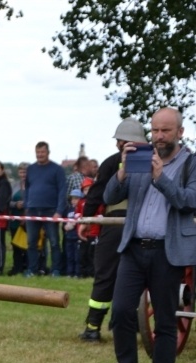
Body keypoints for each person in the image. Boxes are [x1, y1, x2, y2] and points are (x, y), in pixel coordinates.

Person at [102, 107, 196, 363]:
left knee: (166, 322)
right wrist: (122, 171)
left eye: (165, 131)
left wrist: (161, 178)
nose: (159, 136)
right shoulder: (140, 158)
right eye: (155, 130)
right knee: (120, 312)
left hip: (167, 253)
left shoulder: (190, 163)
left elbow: (188, 201)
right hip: (134, 248)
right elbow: (109, 198)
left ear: (180, 132)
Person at [79, 118, 147, 342]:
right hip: (146, 225)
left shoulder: (111, 163)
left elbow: (96, 194)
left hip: (116, 224)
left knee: (105, 274)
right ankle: (135, 323)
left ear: (121, 142)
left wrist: (86, 219)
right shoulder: (154, 160)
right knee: (141, 275)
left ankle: (92, 327)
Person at [24, 141, 66, 277]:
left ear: (48, 152)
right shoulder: (30, 169)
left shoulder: (57, 169)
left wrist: (59, 211)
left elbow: (62, 191)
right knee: (31, 242)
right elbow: (27, 188)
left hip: (51, 211)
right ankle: (32, 269)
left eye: (42, 152)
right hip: (32, 210)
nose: (40, 155)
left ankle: (56, 270)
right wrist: (26, 206)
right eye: (37, 153)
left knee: (54, 242)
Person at [7, 163, 29, 276]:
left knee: (28, 245)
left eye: (25, 172)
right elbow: (7, 202)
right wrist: (16, 204)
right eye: (21, 172)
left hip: (29, 221)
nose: (23, 174)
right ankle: (17, 266)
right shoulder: (14, 186)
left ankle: (28, 267)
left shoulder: (33, 185)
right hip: (15, 220)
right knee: (16, 244)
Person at [63, 189, 82, 278]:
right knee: (69, 256)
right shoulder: (69, 209)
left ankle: (77, 273)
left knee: (77, 257)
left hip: (77, 236)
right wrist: (65, 226)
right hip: (69, 236)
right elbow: (64, 222)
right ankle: (69, 272)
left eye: (76, 198)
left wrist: (73, 224)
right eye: (72, 198)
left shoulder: (80, 210)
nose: (73, 200)